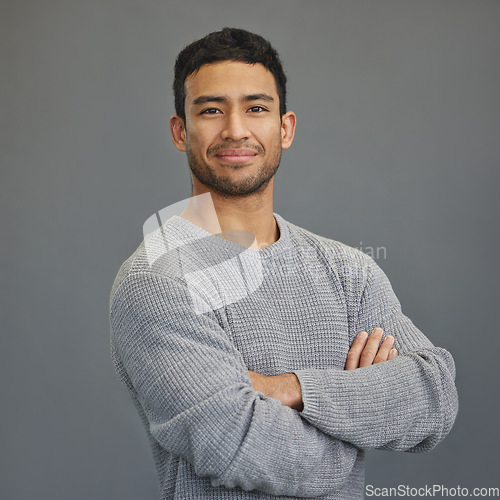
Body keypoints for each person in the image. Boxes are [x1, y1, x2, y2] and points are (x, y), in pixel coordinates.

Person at [109, 27, 458, 500]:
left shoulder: (346, 270)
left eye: (256, 108)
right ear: (179, 131)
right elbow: (241, 445)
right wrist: (360, 419)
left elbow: (434, 400)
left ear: (285, 128)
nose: (235, 129)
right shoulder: (156, 281)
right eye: (211, 110)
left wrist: (293, 389)